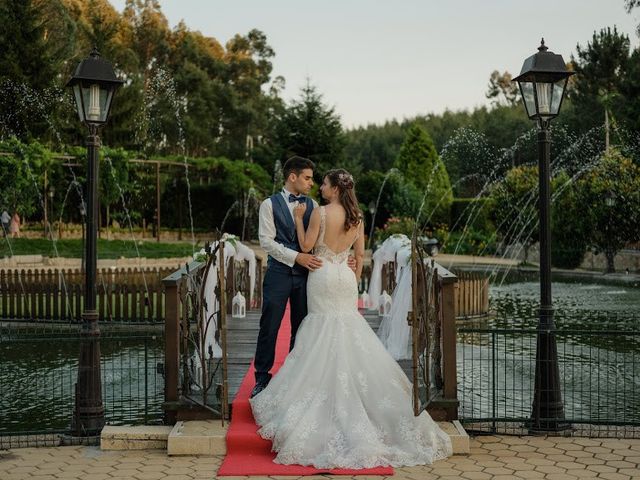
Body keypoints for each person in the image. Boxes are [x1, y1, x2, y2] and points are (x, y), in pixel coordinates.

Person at [249, 168, 452, 469]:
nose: (320, 187)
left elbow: (306, 247)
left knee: (320, 332)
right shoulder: (358, 218)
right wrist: (352, 276)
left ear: (334, 188)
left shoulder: (320, 211)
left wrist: (295, 219)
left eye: (324, 184)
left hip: (321, 275)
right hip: (344, 278)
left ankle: (316, 393)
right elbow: (361, 255)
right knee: (348, 330)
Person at [251, 156, 357, 399]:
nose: (312, 183)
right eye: (307, 178)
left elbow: (326, 239)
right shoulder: (268, 204)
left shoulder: (314, 207)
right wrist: (296, 256)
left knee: (302, 328)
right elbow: (266, 241)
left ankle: (293, 376)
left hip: (309, 277)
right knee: (269, 326)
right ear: (292, 177)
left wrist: (343, 257)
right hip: (278, 274)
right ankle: (261, 377)